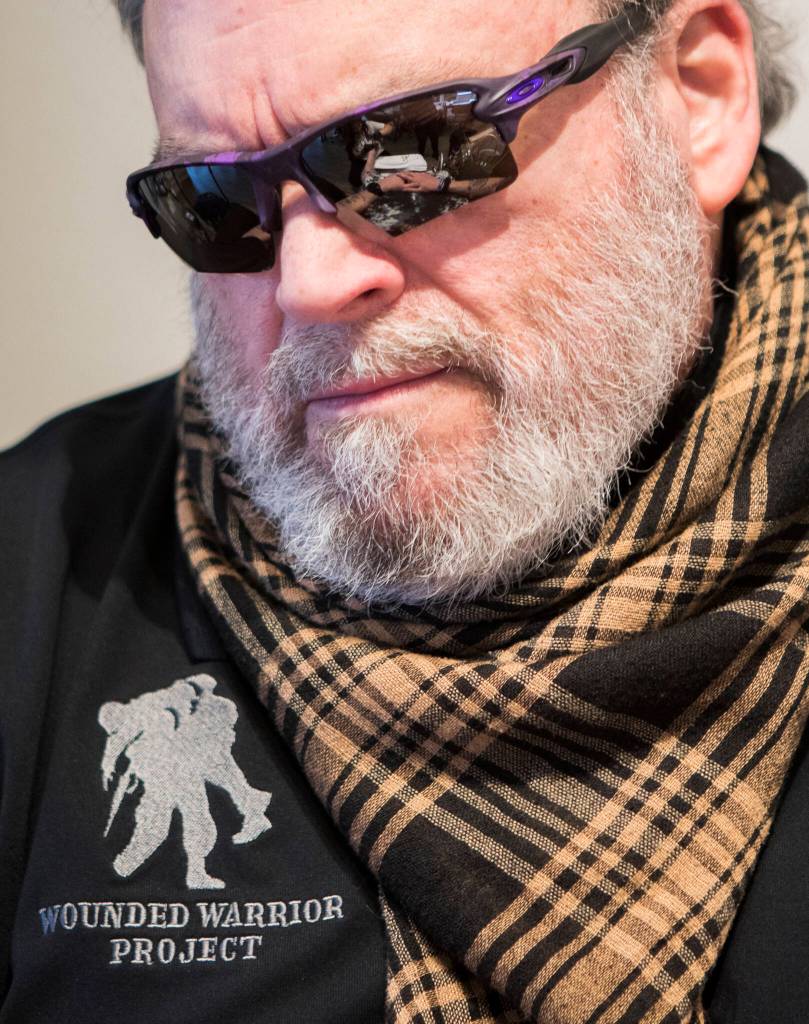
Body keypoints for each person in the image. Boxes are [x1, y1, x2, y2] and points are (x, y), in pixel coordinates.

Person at [1, 0, 808, 1021]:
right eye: (213, 198)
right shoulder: (36, 564)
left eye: (407, 155)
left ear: (698, 95)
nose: (308, 282)